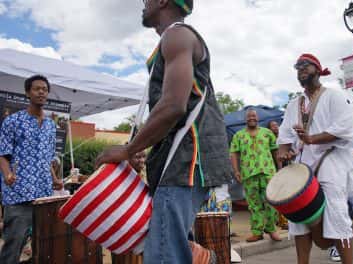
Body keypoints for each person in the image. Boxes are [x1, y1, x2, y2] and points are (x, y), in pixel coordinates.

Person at [95, 1, 232, 263]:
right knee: (172, 244)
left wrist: (127, 149)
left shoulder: (177, 36)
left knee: (162, 253)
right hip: (182, 161)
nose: (143, 4)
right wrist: (140, 147)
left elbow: (173, 106)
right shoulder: (173, 39)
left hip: (186, 162)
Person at [277, 54, 353, 264]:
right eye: (297, 67)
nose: (301, 69)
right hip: (303, 166)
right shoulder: (293, 104)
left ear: (317, 68)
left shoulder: (333, 96)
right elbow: (285, 137)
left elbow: (345, 127)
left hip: (331, 161)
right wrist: (284, 153)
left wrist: (312, 138)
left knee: (337, 214)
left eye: (305, 65)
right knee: (299, 218)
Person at [0, 75, 63, 264]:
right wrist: (7, 174)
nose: (41, 92)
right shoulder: (13, 121)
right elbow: (2, 153)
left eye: (44, 89)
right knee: (14, 243)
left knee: (42, 243)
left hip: (43, 194)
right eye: (37, 89)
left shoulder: (51, 125)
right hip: (19, 193)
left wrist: (54, 178)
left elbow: (48, 157)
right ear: (28, 92)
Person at [230, 109, 281, 242]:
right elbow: (234, 154)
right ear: (245, 119)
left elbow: (275, 152)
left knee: (271, 201)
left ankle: (271, 229)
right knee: (254, 205)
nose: (251, 118)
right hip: (248, 174)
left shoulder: (267, 133)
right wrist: (236, 171)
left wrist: (279, 170)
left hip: (268, 172)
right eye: (249, 116)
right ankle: (257, 232)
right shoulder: (238, 136)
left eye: (254, 116)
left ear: (257, 118)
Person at [267, 120, 289, 230]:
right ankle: (281, 221)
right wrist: (279, 170)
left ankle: (284, 220)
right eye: (273, 126)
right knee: (279, 196)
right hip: (275, 171)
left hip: (286, 169)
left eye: (276, 125)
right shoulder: (270, 141)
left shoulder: (283, 139)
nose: (276, 127)